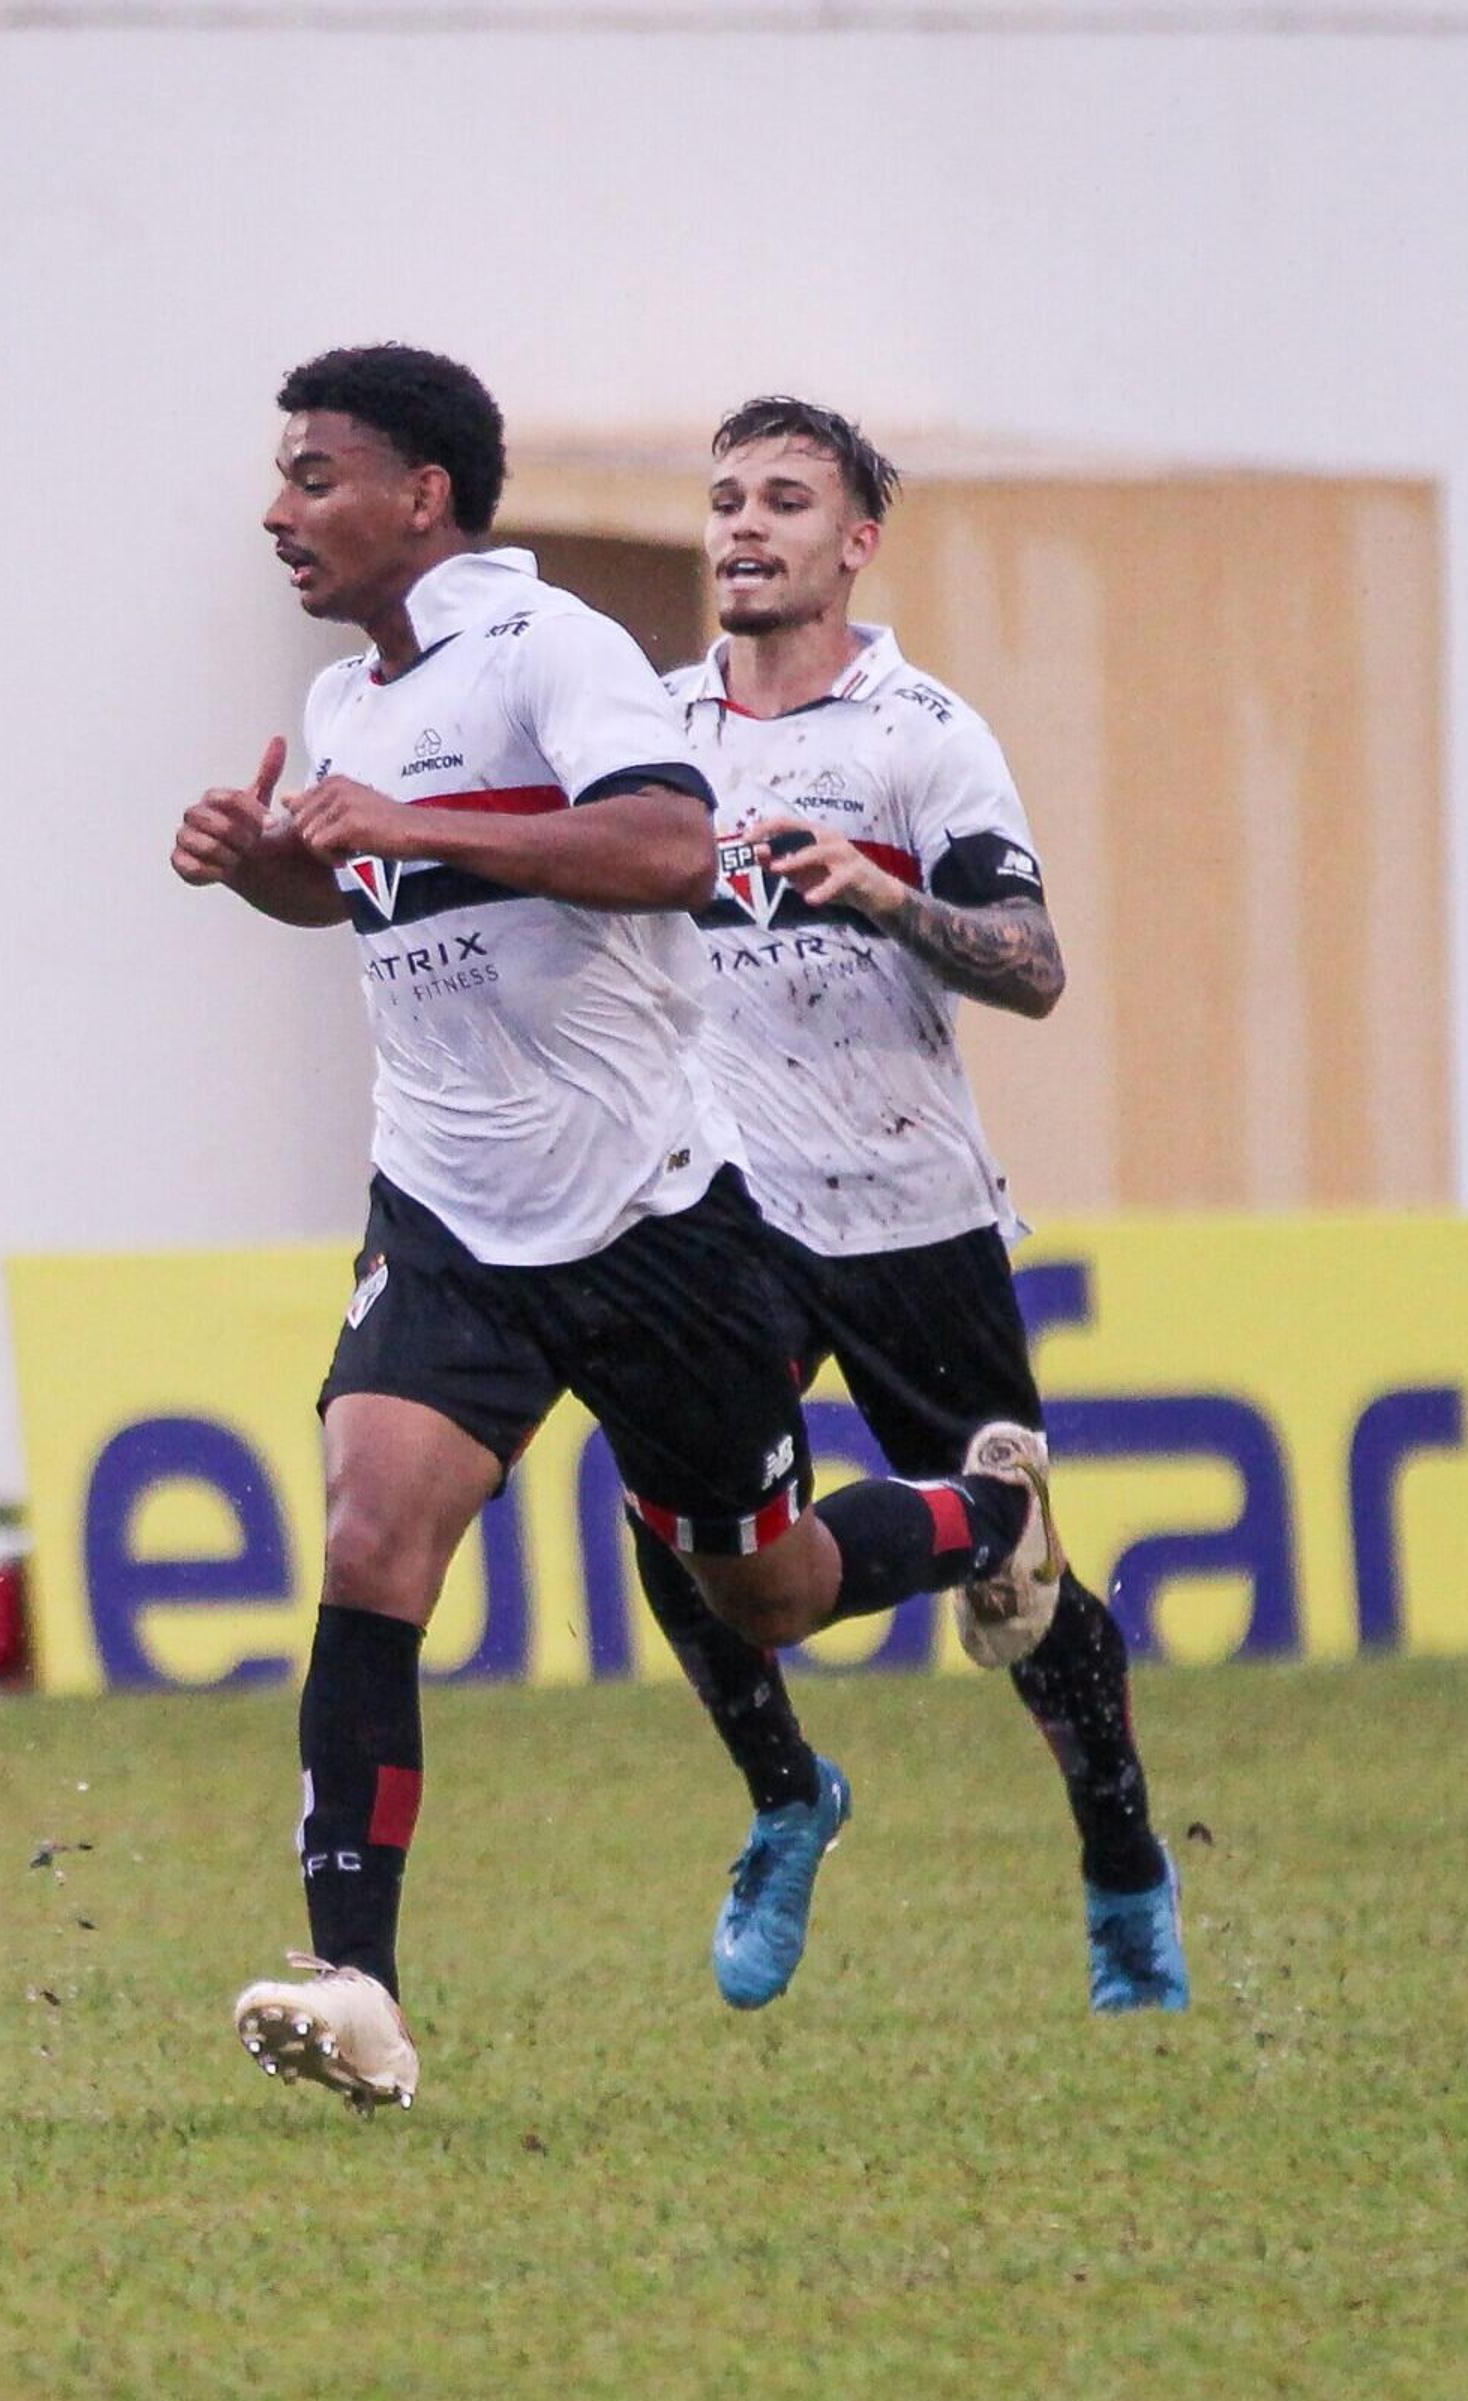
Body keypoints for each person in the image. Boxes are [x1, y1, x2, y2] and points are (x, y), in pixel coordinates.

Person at [169, 346, 1068, 2113]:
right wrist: (265, 858)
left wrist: (408, 820)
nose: (281, 511)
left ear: (422, 494)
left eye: (317, 476)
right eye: (281, 477)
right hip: (445, 1210)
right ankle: (357, 1983)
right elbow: (369, 884)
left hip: (654, 1223)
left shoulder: (551, 649)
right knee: (371, 1535)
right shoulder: (351, 699)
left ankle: (991, 1512)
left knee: (774, 1589)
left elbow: (670, 847)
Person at [638, 396, 1185, 2013]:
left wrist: (885, 891)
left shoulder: (919, 732)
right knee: (681, 1517)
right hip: (718, 1209)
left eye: (785, 500)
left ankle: (1124, 1869)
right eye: (727, 498)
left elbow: (1035, 967)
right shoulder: (656, 730)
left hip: (902, 1207)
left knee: (1032, 1601)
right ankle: (788, 1796)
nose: (744, 526)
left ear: (856, 540)